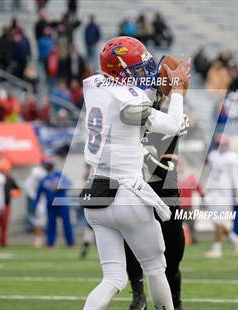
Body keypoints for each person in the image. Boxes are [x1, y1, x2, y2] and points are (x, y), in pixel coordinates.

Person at [80, 36, 190, 310]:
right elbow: (173, 123)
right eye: (138, 69)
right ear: (121, 70)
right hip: (127, 194)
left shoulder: (96, 87)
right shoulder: (129, 101)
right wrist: (175, 89)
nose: (145, 74)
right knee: (155, 268)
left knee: (112, 279)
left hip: (96, 196)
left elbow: (129, 96)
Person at [125, 99, 190, 310]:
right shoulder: (128, 123)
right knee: (132, 246)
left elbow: (164, 168)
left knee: (171, 263)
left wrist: (143, 157)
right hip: (138, 197)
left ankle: (176, 303)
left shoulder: (168, 123)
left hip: (167, 198)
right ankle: (138, 295)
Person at [205, 135, 238, 258]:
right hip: (213, 191)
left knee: (218, 221)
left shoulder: (232, 158)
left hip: (223, 193)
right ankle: (235, 239)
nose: (221, 146)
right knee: (217, 221)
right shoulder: (213, 156)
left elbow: (235, 178)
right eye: (219, 144)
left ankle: (217, 249)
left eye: (223, 144)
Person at [32, 158, 74, 248]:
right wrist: (35, 204)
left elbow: (69, 184)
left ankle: (71, 243)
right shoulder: (44, 179)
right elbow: (39, 193)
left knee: (66, 223)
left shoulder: (60, 175)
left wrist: (60, 187)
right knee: (51, 224)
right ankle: (50, 243)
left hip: (62, 203)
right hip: (51, 205)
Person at [178, 157, 205, 244]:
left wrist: (202, 194)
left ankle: (193, 239)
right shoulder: (173, 176)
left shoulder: (189, 176)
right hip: (177, 205)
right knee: (177, 224)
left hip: (188, 204)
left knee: (191, 223)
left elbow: (197, 186)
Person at [24, 157, 49, 247]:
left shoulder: (49, 172)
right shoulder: (37, 172)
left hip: (47, 199)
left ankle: (48, 241)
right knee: (40, 220)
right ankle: (38, 240)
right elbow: (28, 185)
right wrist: (34, 197)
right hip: (41, 199)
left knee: (47, 220)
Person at [0, 159, 21, 248]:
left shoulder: (10, 179)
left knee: (4, 225)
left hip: (6, 204)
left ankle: (3, 242)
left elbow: (18, 190)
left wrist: (14, 193)